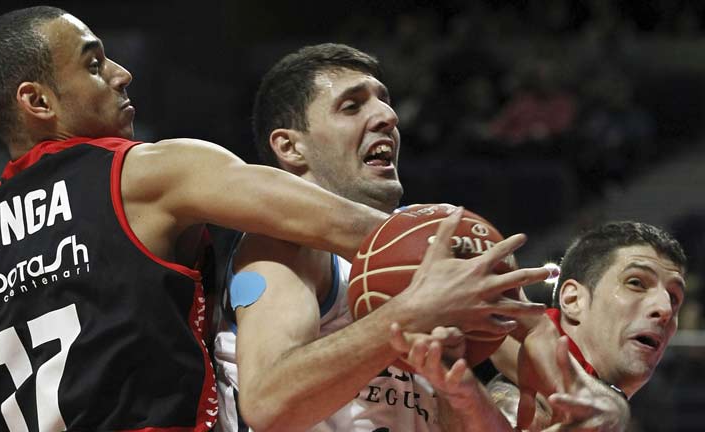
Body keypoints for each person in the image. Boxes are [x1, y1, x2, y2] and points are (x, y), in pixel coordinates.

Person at [0, 8, 419, 431]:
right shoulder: (145, 172)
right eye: (94, 64)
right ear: (38, 102)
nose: (122, 74)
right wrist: (452, 250)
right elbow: (361, 230)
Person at [213, 43, 551, 432]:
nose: (388, 117)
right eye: (351, 106)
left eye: (384, 102)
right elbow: (269, 406)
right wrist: (408, 313)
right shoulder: (284, 244)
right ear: (291, 147)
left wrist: (459, 385)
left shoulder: (426, 239)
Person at [484, 221, 686, 430]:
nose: (665, 309)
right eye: (636, 283)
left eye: (673, 298)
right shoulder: (520, 407)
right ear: (573, 300)